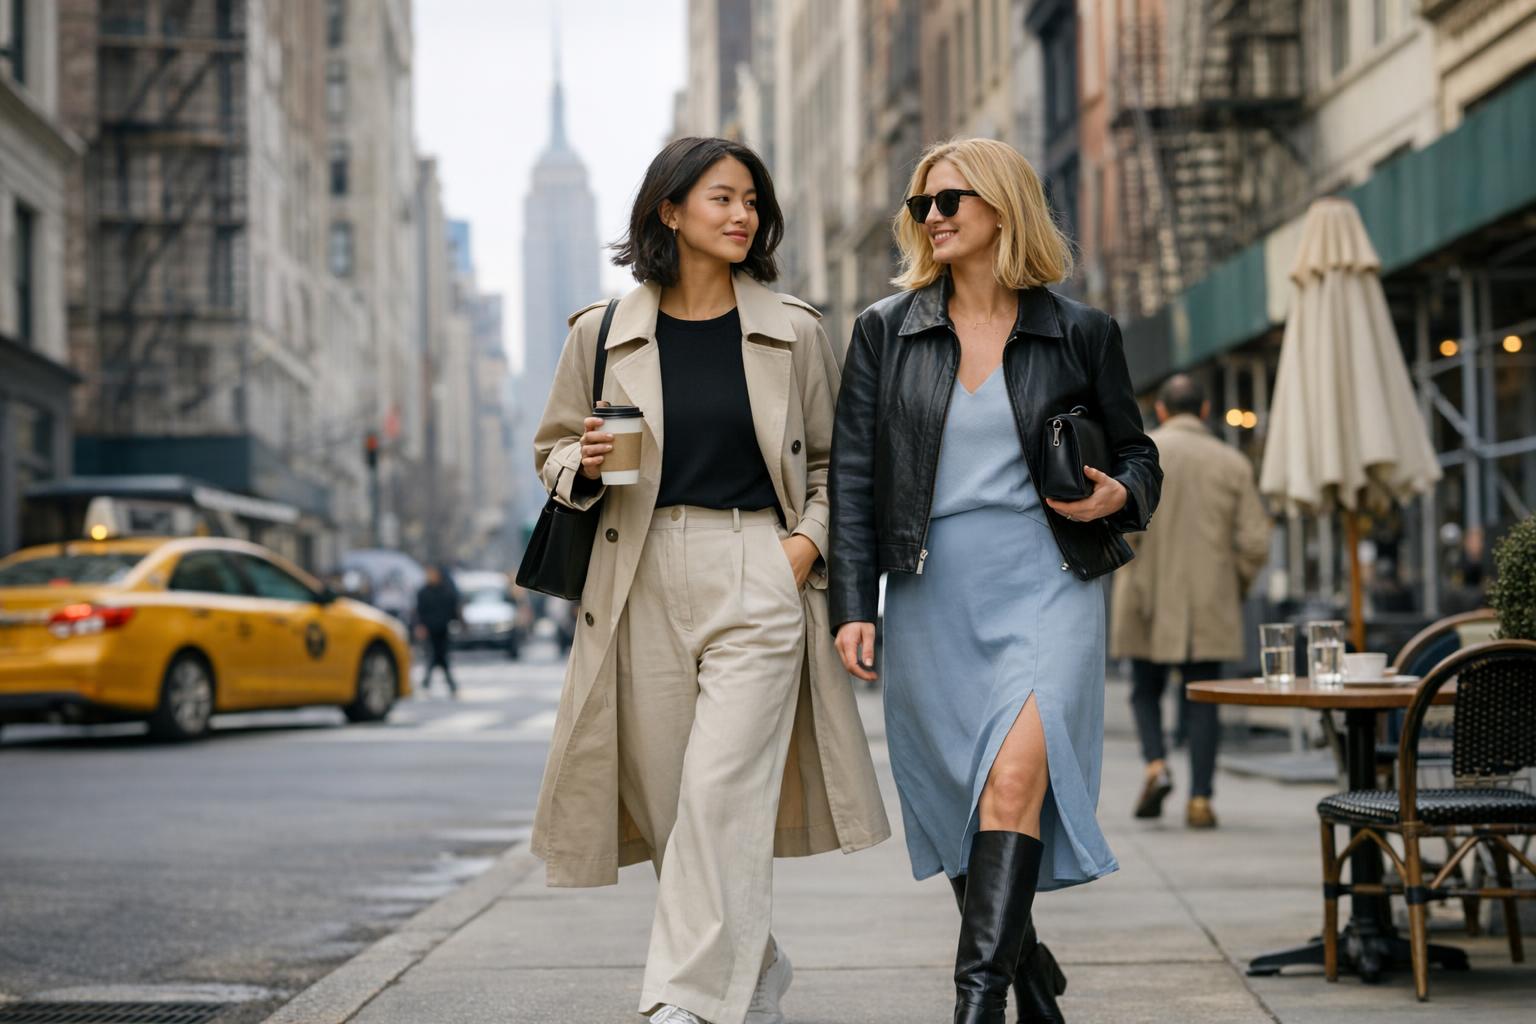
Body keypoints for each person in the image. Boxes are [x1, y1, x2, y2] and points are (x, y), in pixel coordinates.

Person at [530, 136, 889, 1024]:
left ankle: (680, 1002)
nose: (742, 215)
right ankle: (754, 969)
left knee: (720, 790)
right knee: (670, 806)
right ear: (670, 210)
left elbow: (837, 465)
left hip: (757, 567)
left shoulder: (794, 330)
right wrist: (584, 461)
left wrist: (800, 549)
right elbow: (552, 449)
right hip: (638, 572)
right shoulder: (601, 332)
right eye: (722, 198)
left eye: (752, 201)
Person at [829, 137, 1162, 1024]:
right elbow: (854, 477)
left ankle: (975, 1006)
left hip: (1048, 578)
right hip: (931, 590)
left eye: (950, 201)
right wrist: (854, 605)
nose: (932, 218)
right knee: (963, 802)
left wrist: (1120, 493)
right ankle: (1031, 976)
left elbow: (1138, 451)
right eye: (922, 205)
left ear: (1003, 207)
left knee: (1012, 785)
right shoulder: (885, 331)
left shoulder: (1079, 331)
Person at [1110, 374, 1272, 829]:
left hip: (1145, 595)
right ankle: (1200, 799)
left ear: (1161, 410)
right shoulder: (1232, 463)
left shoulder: (1136, 457)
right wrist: (1232, 585)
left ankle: (1156, 765)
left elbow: (1118, 529)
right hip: (1208, 600)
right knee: (1204, 699)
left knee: (1145, 690)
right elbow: (1255, 542)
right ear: (1204, 410)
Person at [414, 565, 462, 697]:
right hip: (430, 629)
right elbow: (419, 611)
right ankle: (447, 684)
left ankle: (428, 683)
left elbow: (453, 607)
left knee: (439, 656)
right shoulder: (423, 592)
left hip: (442, 628)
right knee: (434, 656)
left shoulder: (446, 591)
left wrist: (457, 621)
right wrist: (420, 626)